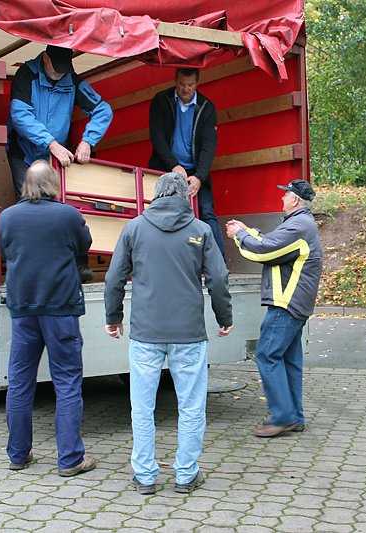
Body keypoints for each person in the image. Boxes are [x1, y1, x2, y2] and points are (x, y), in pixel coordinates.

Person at [104, 172, 233, 494]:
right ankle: (186, 475)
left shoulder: (134, 228)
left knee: (142, 407)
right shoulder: (201, 230)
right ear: (185, 197)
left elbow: (114, 277)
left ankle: (145, 476)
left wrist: (113, 316)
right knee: (191, 406)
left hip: (145, 332)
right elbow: (218, 278)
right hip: (188, 332)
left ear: (156, 195)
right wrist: (224, 317)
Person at [0, 160, 96, 477]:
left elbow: (5, 253)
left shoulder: (7, 218)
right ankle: (69, 459)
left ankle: (18, 454)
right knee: (67, 381)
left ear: (25, 185)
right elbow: (85, 245)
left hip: (23, 309)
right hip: (61, 308)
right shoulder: (67, 215)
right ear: (53, 184)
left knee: (20, 381)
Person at [225, 179, 323, 438]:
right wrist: (247, 230)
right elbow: (271, 243)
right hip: (294, 303)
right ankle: (294, 417)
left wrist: (239, 236)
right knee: (289, 360)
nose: (282, 198)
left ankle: (283, 417)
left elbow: (264, 252)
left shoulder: (298, 226)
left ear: (295, 199)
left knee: (267, 355)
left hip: (286, 304)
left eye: (285, 194)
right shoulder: (300, 224)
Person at [7, 45, 113, 199]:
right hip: (23, 153)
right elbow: (20, 115)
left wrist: (88, 141)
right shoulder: (26, 74)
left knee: (52, 202)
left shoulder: (72, 80)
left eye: (64, 69)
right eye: (57, 68)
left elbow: (103, 110)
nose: (61, 73)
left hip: (54, 157)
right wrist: (50, 143)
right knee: (30, 201)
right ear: (45, 58)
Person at [147, 68, 226, 260]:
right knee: (159, 212)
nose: (185, 89)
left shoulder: (206, 107)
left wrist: (199, 177)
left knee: (206, 212)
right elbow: (157, 137)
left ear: (197, 83)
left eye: (190, 85)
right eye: (182, 84)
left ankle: (219, 263)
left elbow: (209, 145)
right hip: (165, 168)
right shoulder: (161, 100)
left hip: (195, 170)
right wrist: (174, 165)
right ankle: (158, 260)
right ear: (175, 81)